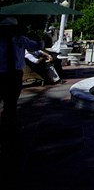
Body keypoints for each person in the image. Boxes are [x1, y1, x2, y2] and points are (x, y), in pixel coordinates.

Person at [0, 16, 45, 177]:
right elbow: (36, 46)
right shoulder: (18, 39)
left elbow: (36, 46)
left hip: (14, 74)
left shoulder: (20, 39)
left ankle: (9, 128)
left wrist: (39, 38)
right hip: (6, 75)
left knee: (11, 102)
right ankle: (8, 128)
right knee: (10, 102)